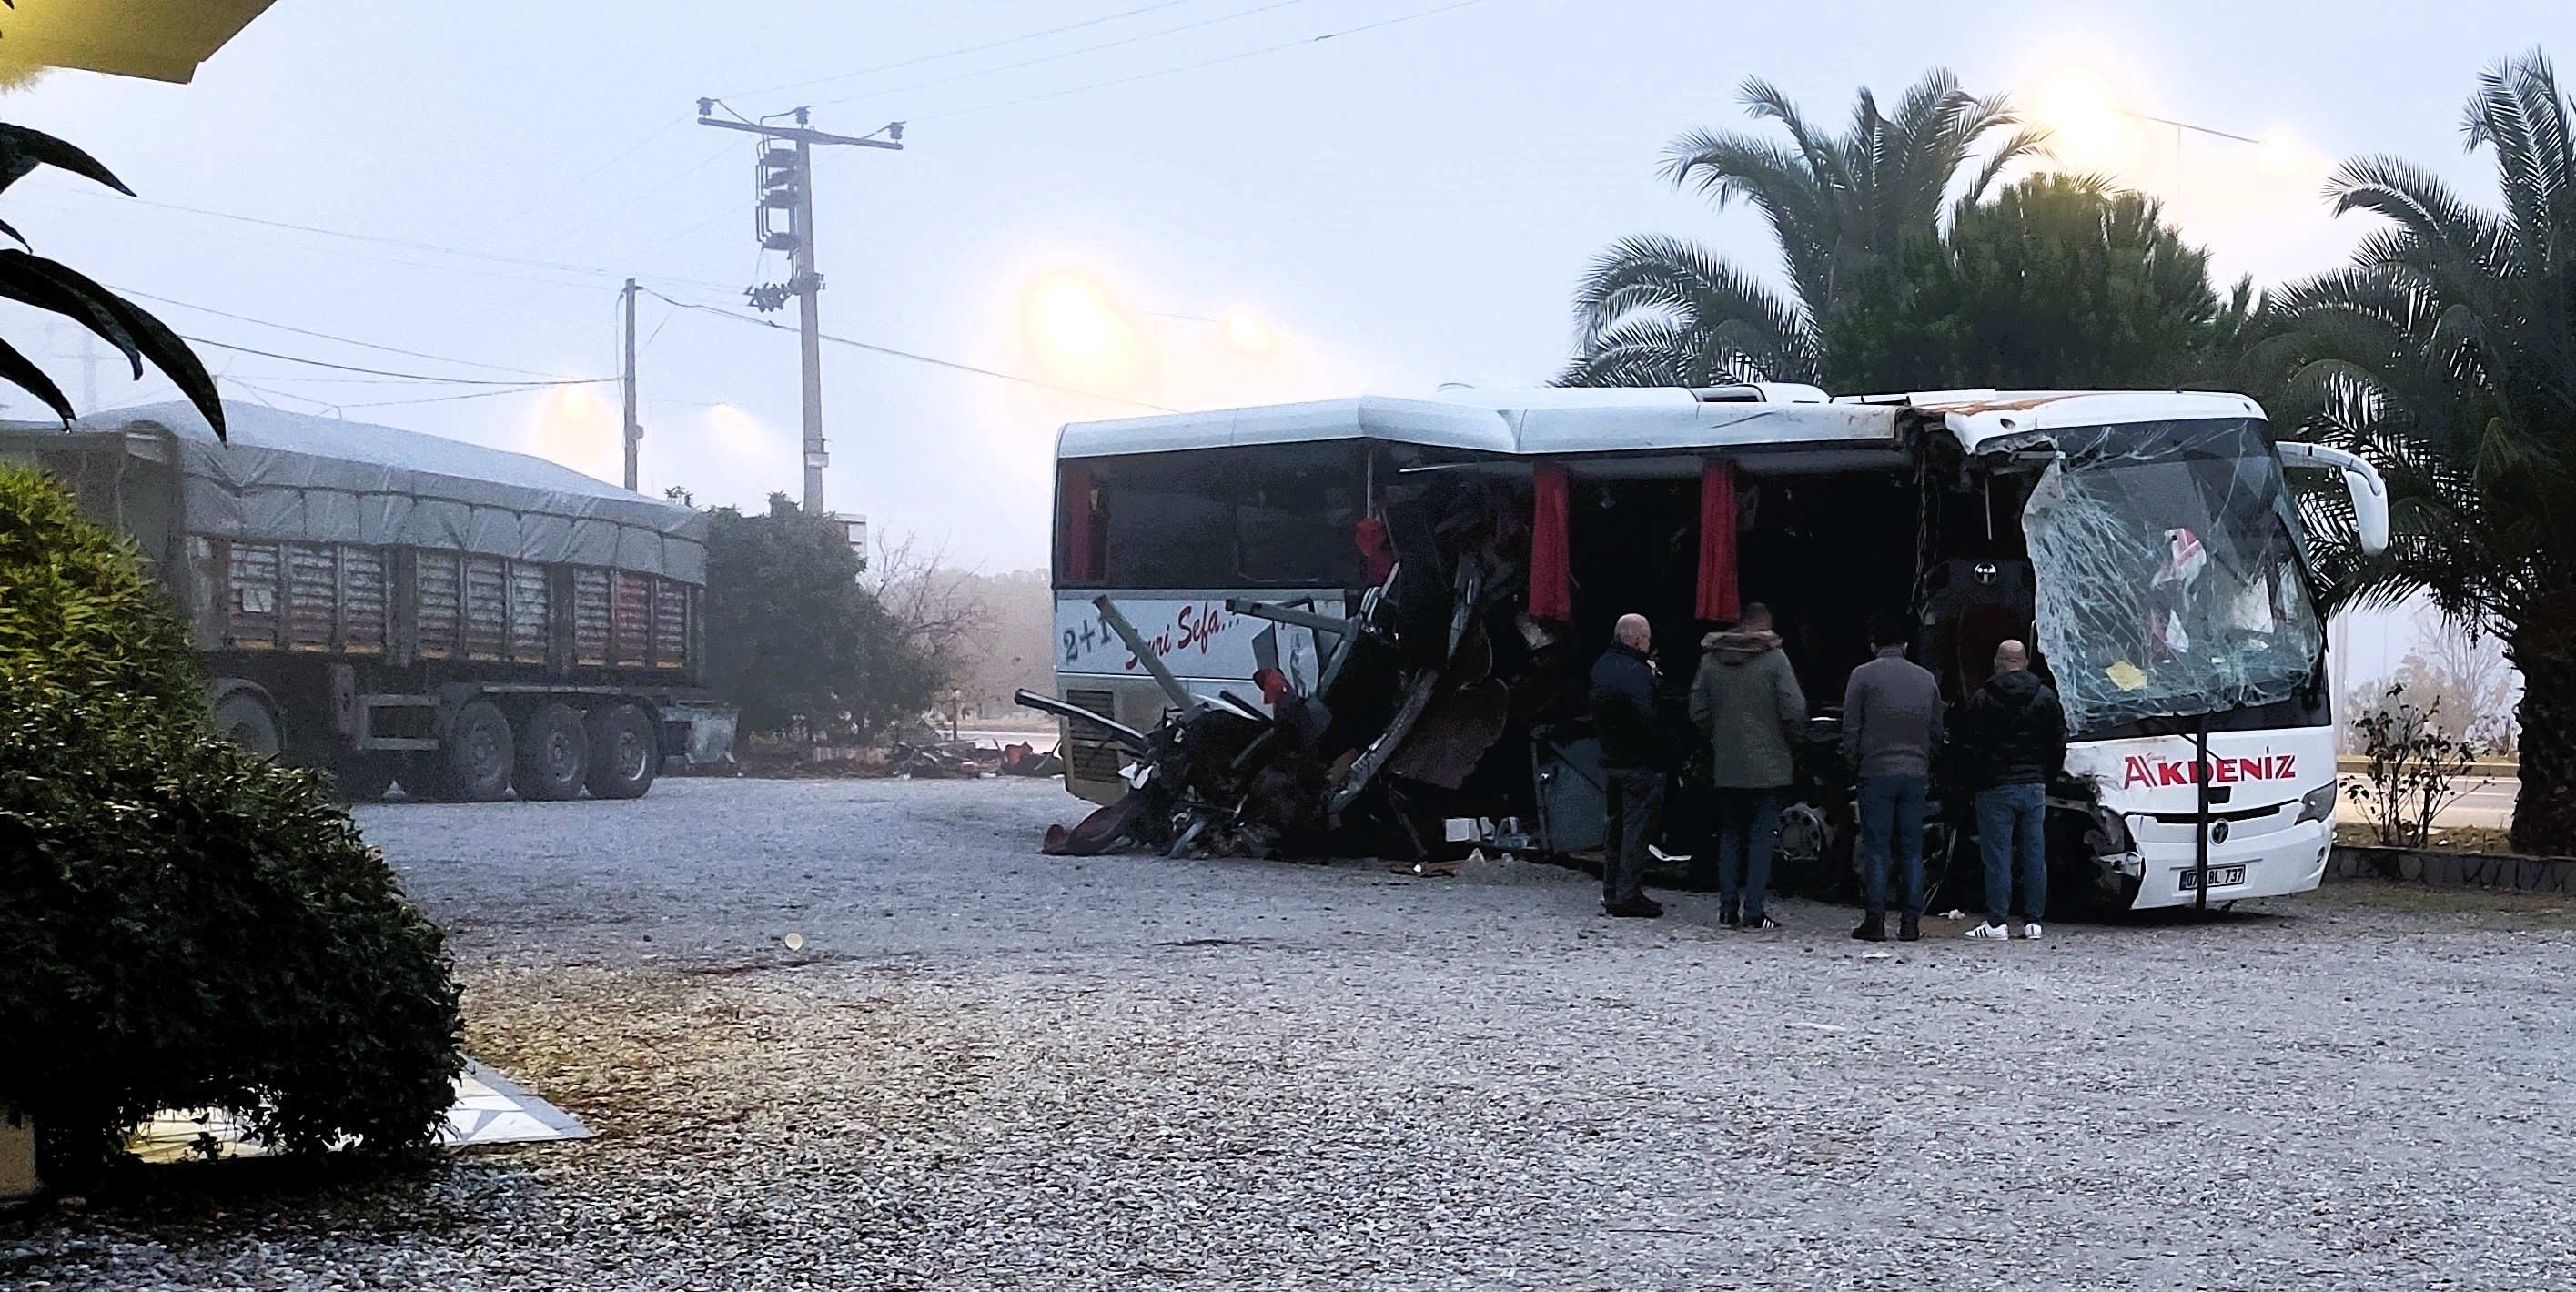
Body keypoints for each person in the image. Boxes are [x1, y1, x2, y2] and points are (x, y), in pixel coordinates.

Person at [1690, 603, 1806, 930]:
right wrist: (1792, 741)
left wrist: (1719, 736)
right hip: (1770, 765)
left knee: (1730, 835)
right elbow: (1794, 709)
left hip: (1727, 764)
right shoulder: (1775, 660)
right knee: (1761, 837)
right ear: (1766, 626)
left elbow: (1697, 709)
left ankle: (1727, 908)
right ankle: (1754, 910)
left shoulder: (1710, 660)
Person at [1841, 611, 1944, 943]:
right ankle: (1911, 922)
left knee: (1877, 849)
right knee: (1912, 849)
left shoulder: (1861, 676)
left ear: (1874, 645)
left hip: (1875, 772)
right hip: (1915, 773)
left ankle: (1875, 920)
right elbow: (1936, 730)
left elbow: (1851, 728)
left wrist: (1854, 762)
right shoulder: (1926, 679)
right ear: (1906, 644)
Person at [1955, 639, 2066, 940]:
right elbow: (2057, 744)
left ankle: (1997, 922)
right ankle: (2034, 922)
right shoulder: (2045, 697)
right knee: (2034, 854)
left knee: (1997, 857)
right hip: (2033, 785)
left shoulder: (1982, 698)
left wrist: (1975, 782)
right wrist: (2047, 776)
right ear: (2026, 662)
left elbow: (1971, 747)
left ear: (1997, 662)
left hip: (1996, 787)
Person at [1589, 612, 1681, 918]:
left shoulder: (1601, 667)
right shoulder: (1638, 675)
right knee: (1636, 831)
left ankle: (1612, 890)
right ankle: (1628, 894)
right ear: (1639, 639)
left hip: (1611, 759)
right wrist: (1668, 754)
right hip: (1640, 764)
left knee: (1614, 828)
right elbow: (1649, 719)